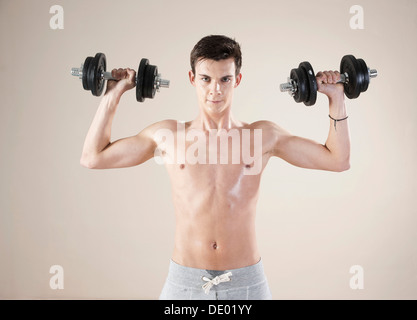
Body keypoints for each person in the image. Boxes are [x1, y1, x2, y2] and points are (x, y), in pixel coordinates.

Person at [80, 35, 350, 300]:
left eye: (225, 79)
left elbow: (337, 161)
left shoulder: (263, 136)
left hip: (246, 284)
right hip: (184, 285)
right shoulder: (168, 136)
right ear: (192, 79)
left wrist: (336, 98)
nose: (215, 89)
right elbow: (93, 158)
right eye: (206, 79)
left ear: (237, 80)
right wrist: (113, 94)